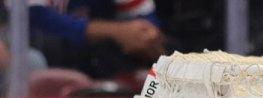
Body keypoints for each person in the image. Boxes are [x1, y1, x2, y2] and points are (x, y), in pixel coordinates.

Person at [25, 0, 165, 84]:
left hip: (104, 58)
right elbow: (32, 17)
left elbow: (146, 21)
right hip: (49, 57)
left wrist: (144, 35)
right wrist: (115, 31)